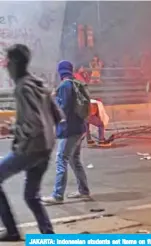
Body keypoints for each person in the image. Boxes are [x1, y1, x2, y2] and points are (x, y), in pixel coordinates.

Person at [0, 44, 63, 240]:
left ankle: (12, 231)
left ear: (15, 63)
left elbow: (34, 124)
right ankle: (48, 235)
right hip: (45, 148)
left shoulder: (22, 87)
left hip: (30, 149)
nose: (5, 65)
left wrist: (10, 128)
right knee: (31, 196)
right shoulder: (39, 84)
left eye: (7, 61)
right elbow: (57, 115)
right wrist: (21, 124)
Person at [42, 60, 91, 204]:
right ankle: (84, 191)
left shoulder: (64, 86)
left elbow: (63, 108)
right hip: (80, 127)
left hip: (69, 129)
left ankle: (57, 195)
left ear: (60, 71)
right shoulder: (76, 83)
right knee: (74, 160)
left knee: (61, 159)